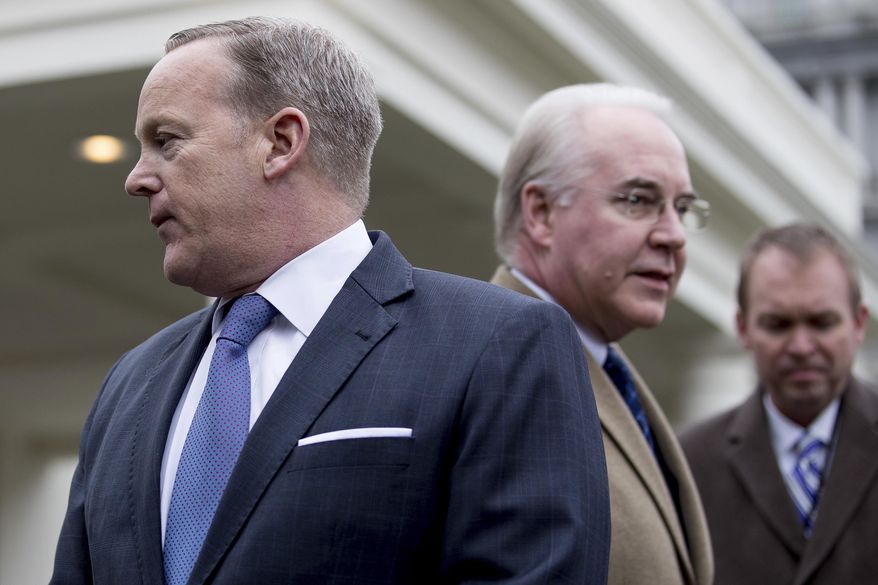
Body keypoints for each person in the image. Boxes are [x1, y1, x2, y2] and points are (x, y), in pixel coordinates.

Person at [50, 18, 611, 585]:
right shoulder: (131, 382)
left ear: (281, 142)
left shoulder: (498, 343)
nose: (136, 178)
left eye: (166, 140)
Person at [490, 83, 713, 585]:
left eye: (681, 208)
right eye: (638, 200)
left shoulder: (604, 367)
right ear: (541, 213)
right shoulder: (488, 369)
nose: (674, 236)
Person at [680, 223, 878, 584]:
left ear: (858, 323)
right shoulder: (689, 463)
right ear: (743, 328)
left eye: (821, 322)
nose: (801, 347)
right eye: (778, 324)